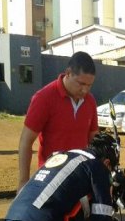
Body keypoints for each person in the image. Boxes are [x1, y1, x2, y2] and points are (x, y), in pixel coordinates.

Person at [18, 51, 98, 191]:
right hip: (50, 180)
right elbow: (26, 141)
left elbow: (94, 141)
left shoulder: (90, 101)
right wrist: (23, 181)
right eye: (81, 83)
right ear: (68, 73)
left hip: (79, 178)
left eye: (90, 85)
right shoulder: (44, 98)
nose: (85, 89)